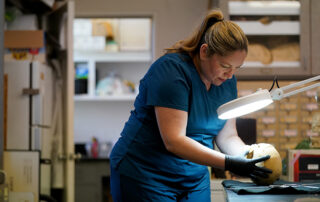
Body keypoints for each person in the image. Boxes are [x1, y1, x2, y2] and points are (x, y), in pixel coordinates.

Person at [110, 10, 271, 202]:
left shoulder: (226, 82)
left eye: (236, 68)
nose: (230, 75)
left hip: (193, 178)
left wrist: (247, 157)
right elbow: (174, 140)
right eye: (226, 66)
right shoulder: (171, 72)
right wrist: (229, 163)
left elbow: (227, 135)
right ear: (204, 52)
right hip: (145, 174)